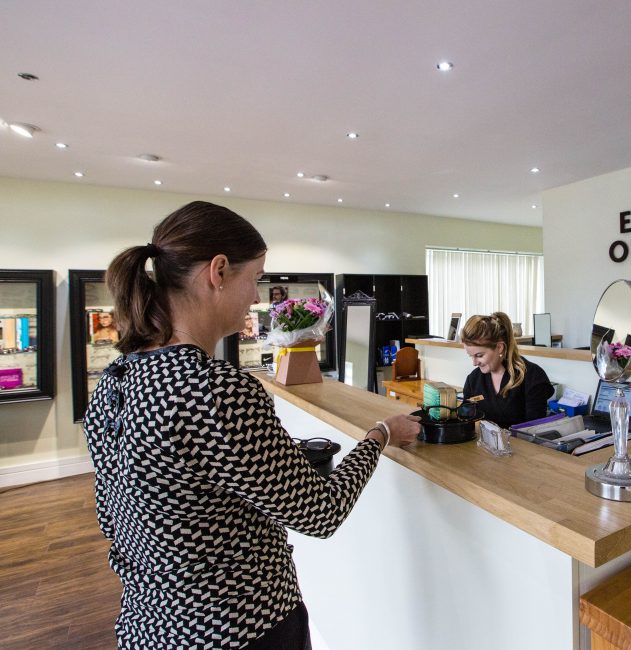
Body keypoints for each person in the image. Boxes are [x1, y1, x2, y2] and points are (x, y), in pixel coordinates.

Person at [82, 201, 420, 649]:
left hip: (149, 627)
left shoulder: (116, 381)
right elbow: (320, 513)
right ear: (218, 272)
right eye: (255, 279)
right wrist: (380, 435)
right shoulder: (215, 389)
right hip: (239, 626)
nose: (257, 299)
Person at [461, 312, 554, 428]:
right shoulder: (473, 380)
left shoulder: (533, 376)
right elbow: (465, 418)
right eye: (471, 356)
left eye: (479, 355)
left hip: (521, 445)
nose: (474, 363)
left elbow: (534, 431)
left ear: (499, 348)